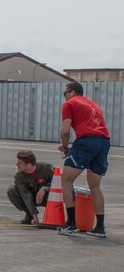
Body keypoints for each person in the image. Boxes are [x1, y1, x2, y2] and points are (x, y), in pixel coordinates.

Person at [57, 82, 110, 238]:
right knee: (95, 187)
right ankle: (100, 227)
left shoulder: (70, 104)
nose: (64, 96)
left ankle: (71, 223)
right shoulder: (94, 105)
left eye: (64, 93)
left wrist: (66, 148)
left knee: (66, 180)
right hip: (104, 142)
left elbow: (65, 131)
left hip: (86, 141)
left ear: (72, 92)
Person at [7, 150, 54, 225]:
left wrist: (45, 189)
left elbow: (59, 184)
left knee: (54, 194)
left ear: (28, 165)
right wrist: (34, 214)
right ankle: (29, 214)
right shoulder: (19, 176)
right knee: (12, 190)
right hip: (31, 198)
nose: (16, 165)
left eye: (20, 163)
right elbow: (25, 195)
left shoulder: (47, 168)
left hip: (46, 197)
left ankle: (53, 215)